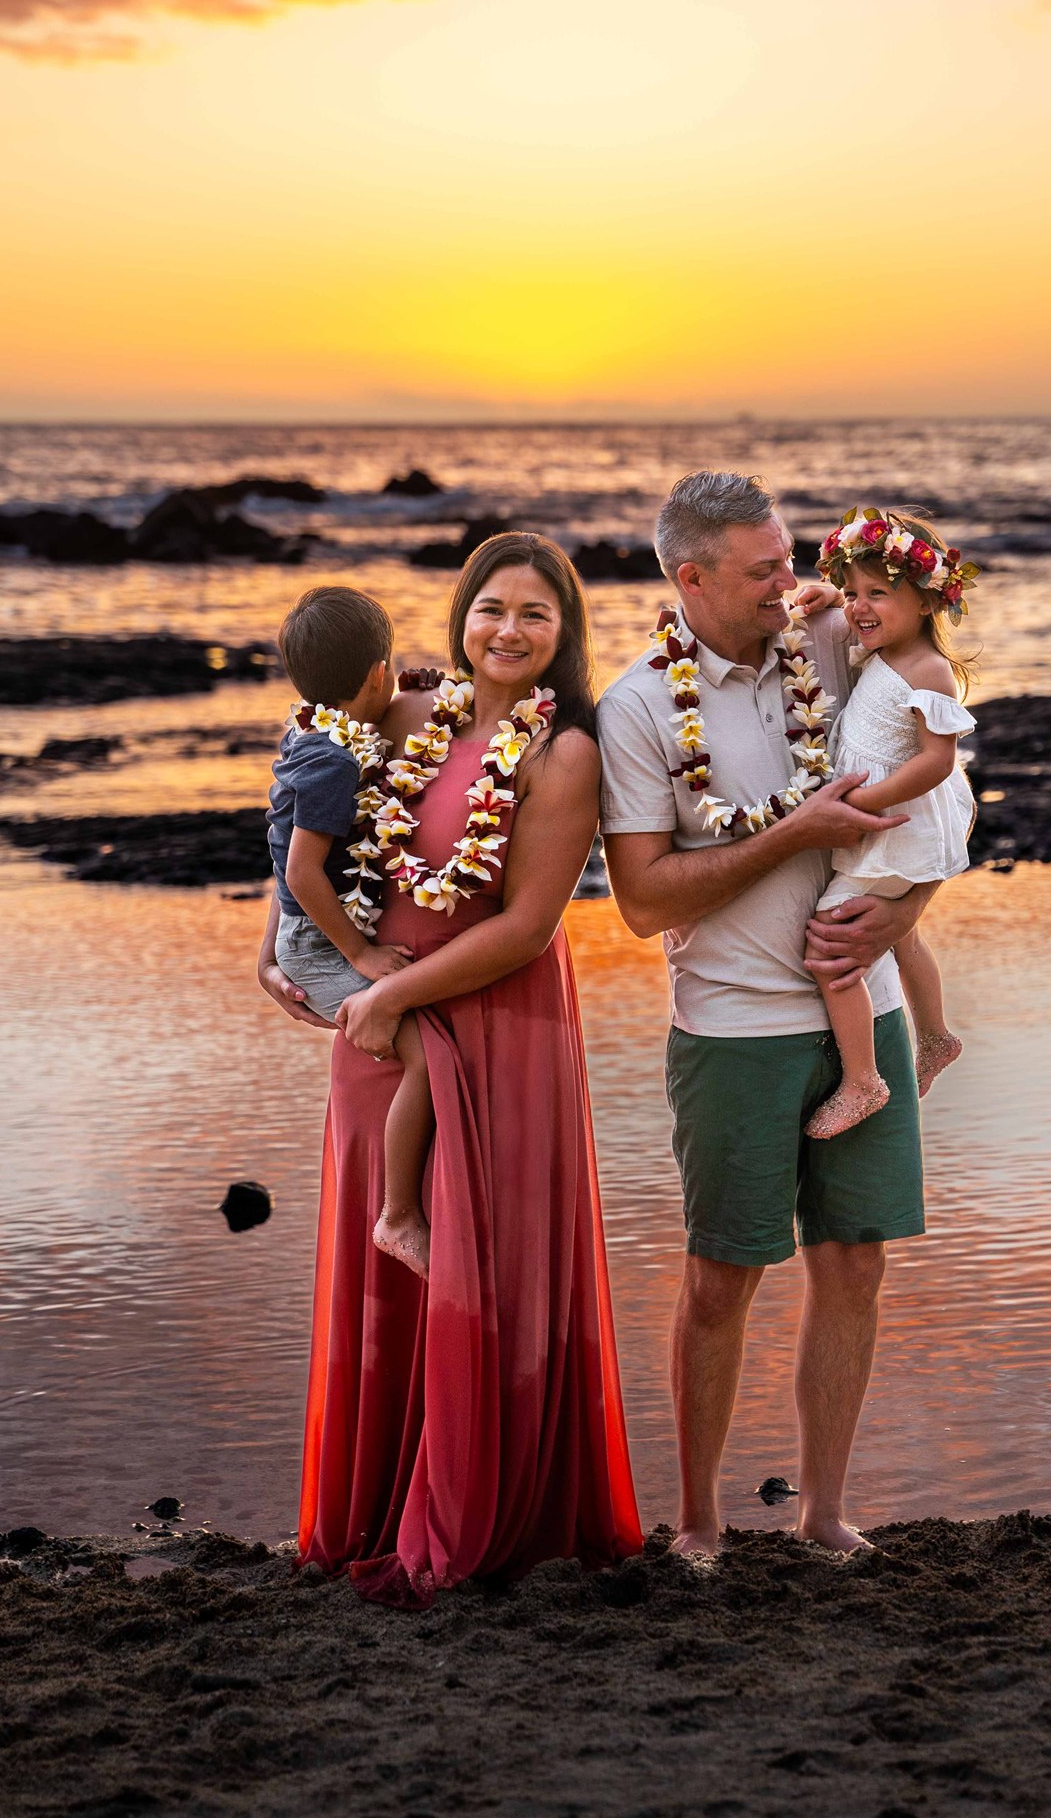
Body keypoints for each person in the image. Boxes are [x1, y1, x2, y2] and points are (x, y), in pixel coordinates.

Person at [259, 534, 642, 1605]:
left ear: (565, 633)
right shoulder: (409, 715)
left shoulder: (562, 751)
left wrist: (390, 992)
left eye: (535, 613)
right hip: (380, 1024)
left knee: (486, 1263)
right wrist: (277, 940)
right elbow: (305, 815)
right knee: (389, 1268)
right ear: (459, 616)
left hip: (494, 1020)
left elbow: (525, 925)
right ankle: (373, 1503)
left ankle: (480, 1509)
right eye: (490, 609)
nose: (508, 630)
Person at [597, 470, 936, 1558]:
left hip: (864, 1011)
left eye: (791, 558)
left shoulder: (832, 647)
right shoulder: (640, 704)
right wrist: (790, 834)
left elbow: (943, 781)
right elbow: (644, 901)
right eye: (765, 571)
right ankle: (698, 1522)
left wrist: (905, 914)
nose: (793, 585)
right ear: (690, 579)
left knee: (856, 1262)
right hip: (732, 1031)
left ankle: (825, 1512)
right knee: (720, 1277)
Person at [266, 584, 433, 1278]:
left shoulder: (307, 732)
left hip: (304, 935)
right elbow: (304, 872)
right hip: (316, 942)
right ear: (376, 676)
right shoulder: (335, 761)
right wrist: (358, 953)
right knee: (425, 1052)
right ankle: (398, 1215)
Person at [802, 508, 980, 1136]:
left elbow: (937, 760)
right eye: (853, 593)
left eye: (879, 592)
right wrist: (830, 596)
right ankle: (933, 1035)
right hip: (887, 825)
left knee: (831, 944)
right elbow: (846, 622)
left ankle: (863, 1080)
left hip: (895, 829)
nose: (859, 607)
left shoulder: (927, 670)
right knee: (900, 935)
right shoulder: (879, 649)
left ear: (930, 599)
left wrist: (864, 807)